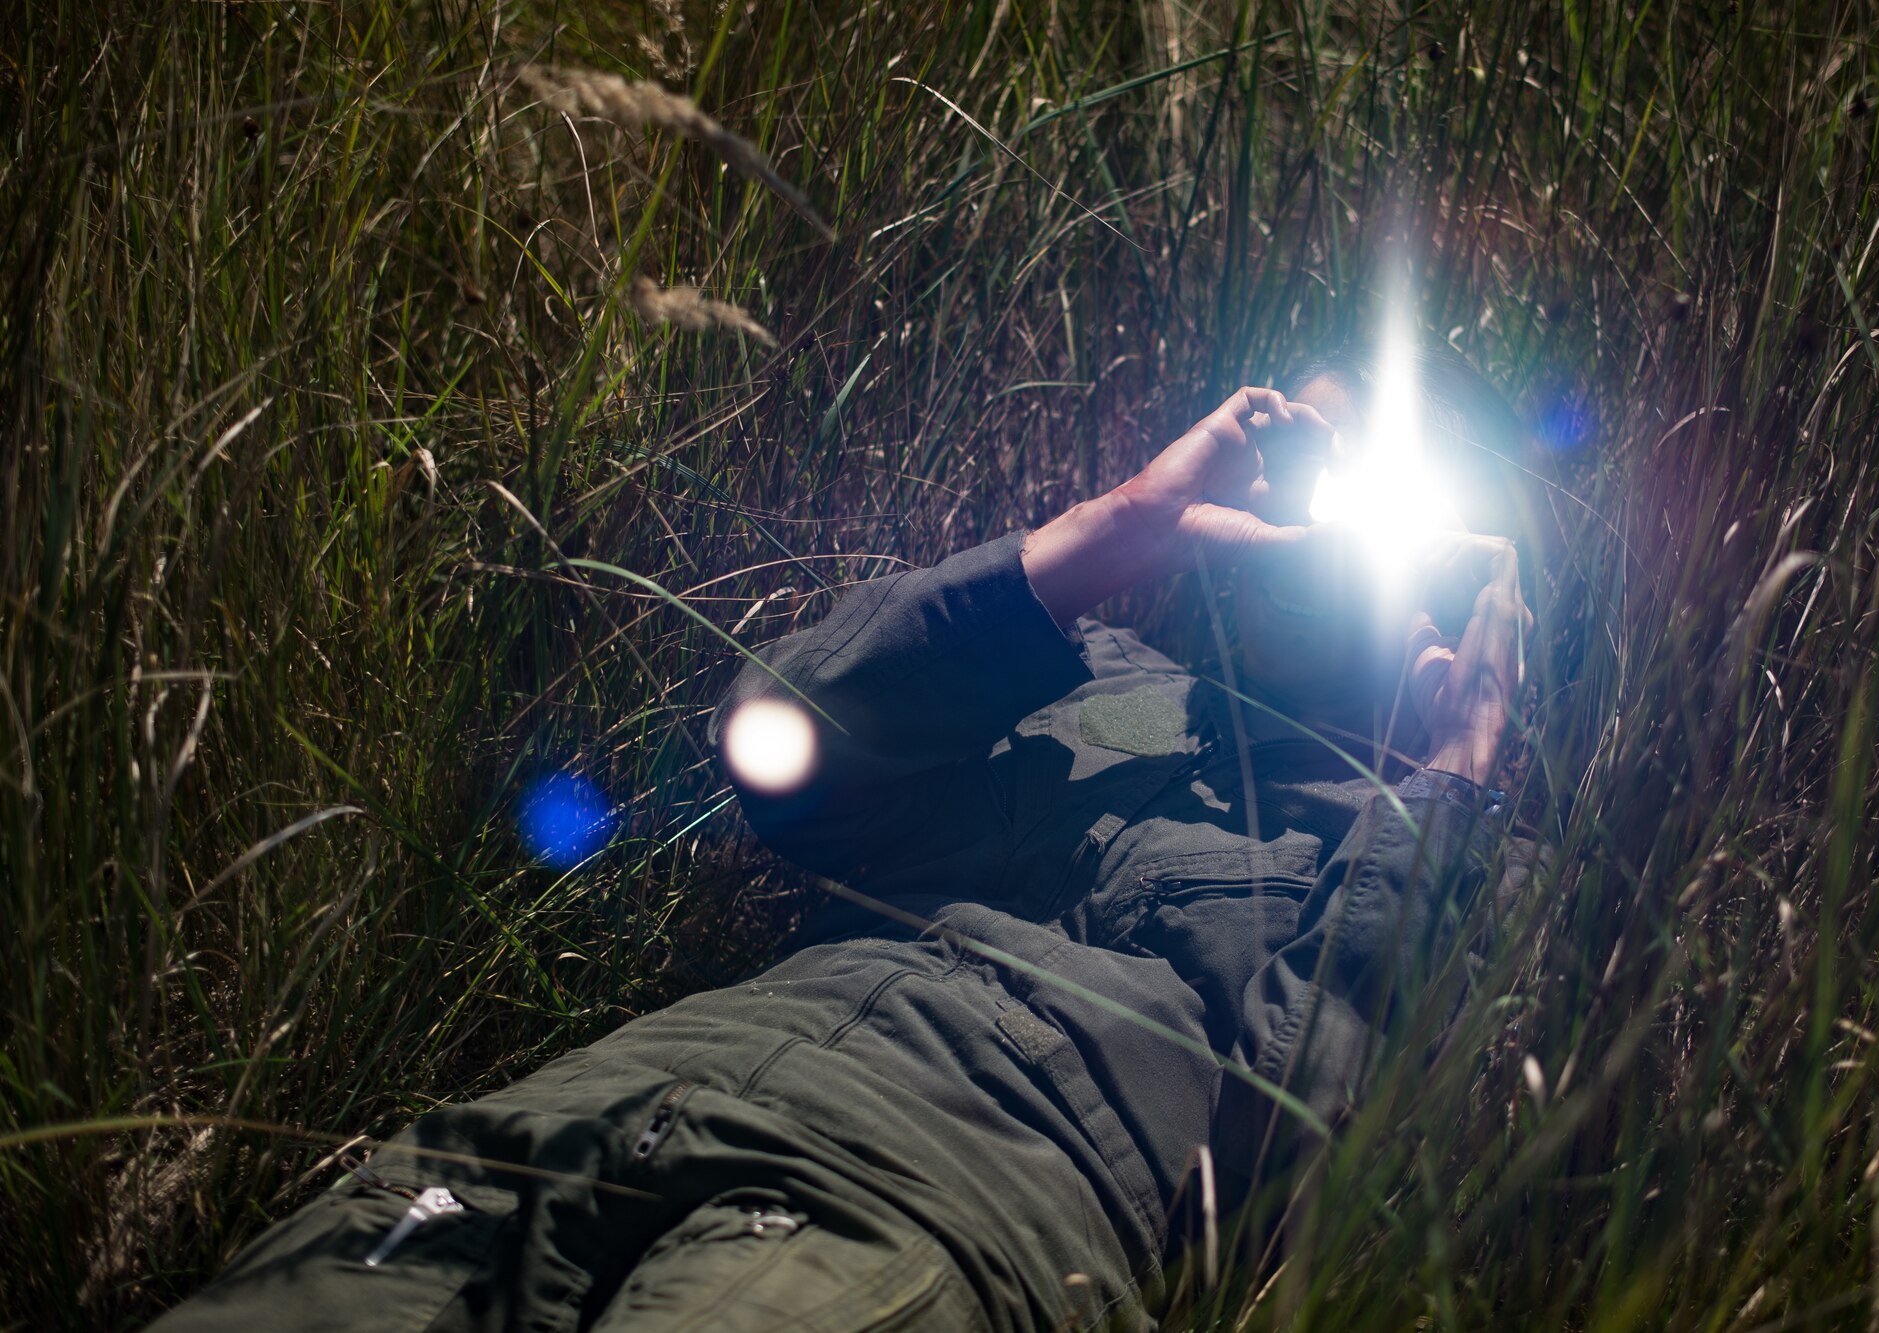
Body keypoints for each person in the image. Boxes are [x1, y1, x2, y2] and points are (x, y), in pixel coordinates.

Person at [149, 344, 1539, 1332]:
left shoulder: (1437, 862)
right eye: (1307, 442)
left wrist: (1447, 788)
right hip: (595, 1113)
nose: (1329, 497)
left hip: (918, 1216)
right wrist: (1119, 528)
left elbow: (1311, 1176)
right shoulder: (1089, 668)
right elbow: (776, 746)